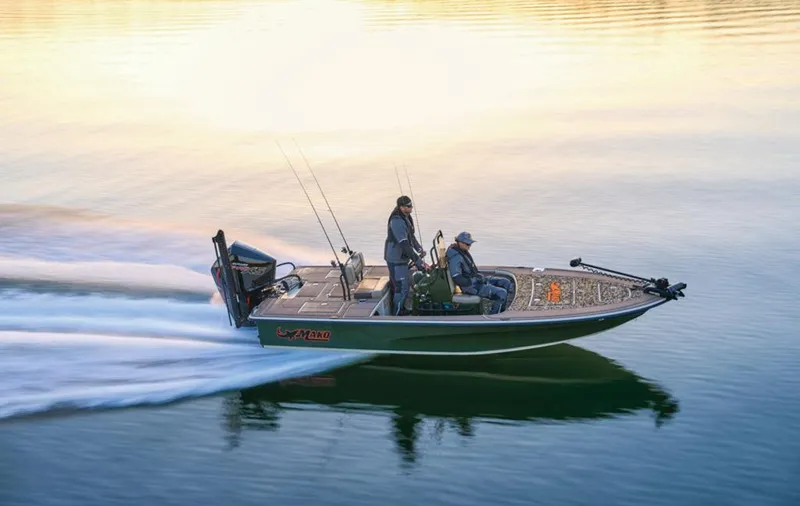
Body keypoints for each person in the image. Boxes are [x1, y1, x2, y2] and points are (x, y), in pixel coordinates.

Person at [445, 231, 512, 314]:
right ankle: (494, 317)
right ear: (459, 242)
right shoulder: (455, 257)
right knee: (502, 293)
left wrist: (479, 278)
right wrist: (473, 281)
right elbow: (457, 277)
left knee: (505, 282)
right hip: (471, 287)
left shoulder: (462, 251)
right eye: (467, 244)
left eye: (470, 244)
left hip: (476, 280)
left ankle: (502, 308)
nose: (469, 246)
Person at [384, 195, 428, 315]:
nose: (411, 208)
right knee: (401, 287)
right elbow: (404, 244)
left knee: (406, 285)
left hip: (403, 258)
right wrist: (419, 262)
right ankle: (396, 314)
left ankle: (402, 308)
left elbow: (411, 237)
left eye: (411, 205)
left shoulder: (406, 218)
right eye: (408, 206)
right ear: (401, 207)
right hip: (395, 259)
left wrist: (419, 248)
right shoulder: (397, 221)